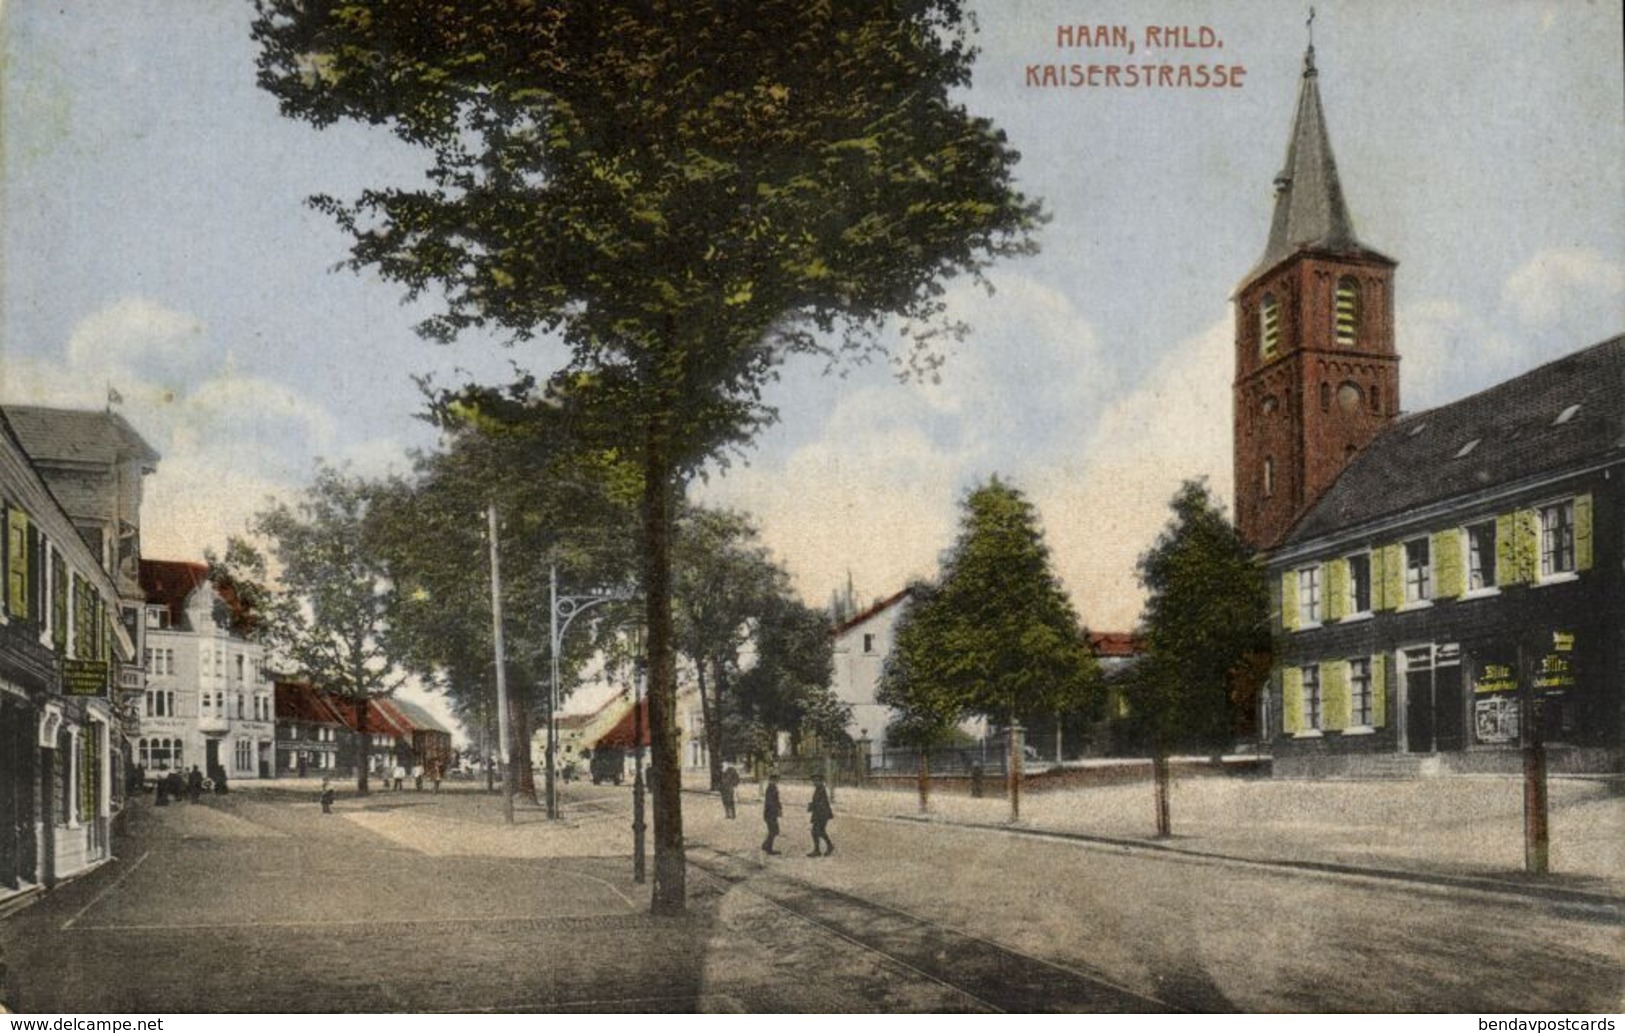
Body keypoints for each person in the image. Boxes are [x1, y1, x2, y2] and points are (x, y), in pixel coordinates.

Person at [807, 772, 834, 857]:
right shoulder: (819, 789)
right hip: (820, 814)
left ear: (821, 781)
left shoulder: (821, 789)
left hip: (821, 814)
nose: (814, 783)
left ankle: (818, 850)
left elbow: (821, 803)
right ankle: (828, 846)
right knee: (820, 832)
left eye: (817, 781)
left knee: (816, 831)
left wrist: (812, 806)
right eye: (814, 781)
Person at [761, 772, 782, 855]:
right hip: (770, 813)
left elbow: (776, 800)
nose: (777, 781)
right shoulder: (771, 788)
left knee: (773, 830)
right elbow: (771, 802)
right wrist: (777, 810)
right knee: (774, 830)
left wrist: (779, 808)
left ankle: (766, 845)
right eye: (776, 779)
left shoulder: (772, 787)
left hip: (770, 813)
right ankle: (768, 847)